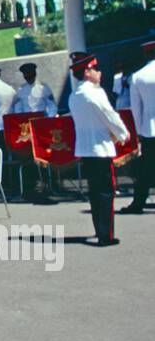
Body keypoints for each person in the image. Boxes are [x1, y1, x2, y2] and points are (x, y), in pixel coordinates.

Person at [67, 51, 130, 247]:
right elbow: (110, 116)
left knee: (95, 194)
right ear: (87, 71)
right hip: (100, 149)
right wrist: (123, 134)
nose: (99, 73)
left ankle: (100, 230)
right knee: (105, 193)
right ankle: (106, 235)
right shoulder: (95, 92)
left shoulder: (74, 95)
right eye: (95, 69)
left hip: (85, 150)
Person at [125, 37, 155, 213]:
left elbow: (136, 109)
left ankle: (138, 203)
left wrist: (138, 132)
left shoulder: (137, 76)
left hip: (149, 128)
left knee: (145, 170)